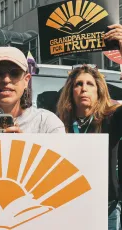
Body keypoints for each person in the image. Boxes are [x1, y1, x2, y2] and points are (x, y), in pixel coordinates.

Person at [56, 64, 122, 230]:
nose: (84, 89)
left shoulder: (112, 119)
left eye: (89, 84)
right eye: (78, 84)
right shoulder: (59, 124)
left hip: (106, 209)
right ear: (71, 91)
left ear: (99, 90)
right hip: (70, 208)